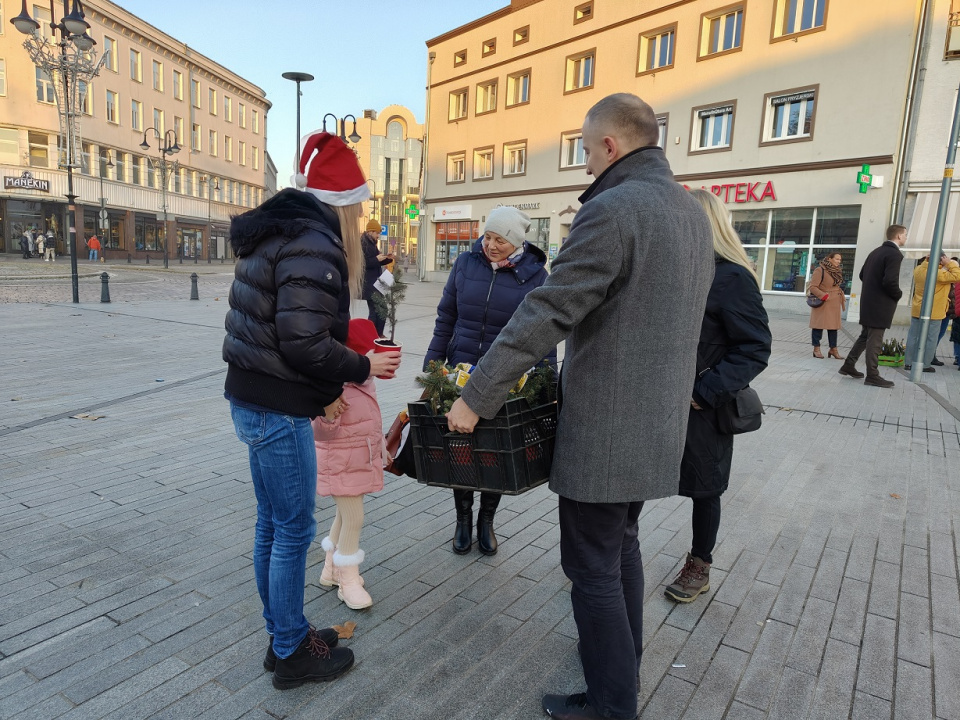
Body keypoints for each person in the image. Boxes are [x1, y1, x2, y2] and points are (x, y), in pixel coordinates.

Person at [446, 93, 714, 720]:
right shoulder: (688, 211)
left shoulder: (615, 208)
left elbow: (547, 310)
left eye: (588, 150)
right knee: (620, 549)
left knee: (592, 568)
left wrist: (475, 395)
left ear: (612, 145)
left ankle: (612, 707)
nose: (586, 164)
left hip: (609, 429)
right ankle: (618, 682)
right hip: (656, 424)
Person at [223, 130, 401, 690]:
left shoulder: (278, 233)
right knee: (292, 528)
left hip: (250, 396)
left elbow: (283, 323)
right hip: (277, 406)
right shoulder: (316, 243)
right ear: (345, 205)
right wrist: (361, 367)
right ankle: (293, 652)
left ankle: (284, 635)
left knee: (271, 526)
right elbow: (303, 341)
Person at [424, 205, 553, 556]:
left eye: (500, 240)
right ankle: (463, 520)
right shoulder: (466, 264)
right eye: (488, 236)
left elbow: (542, 332)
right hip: (459, 371)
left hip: (505, 378)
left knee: (495, 451)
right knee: (461, 448)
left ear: (517, 243)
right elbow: (446, 316)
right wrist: (434, 363)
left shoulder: (537, 277)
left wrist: (545, 378)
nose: (491, 245)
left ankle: (487, 521)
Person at [664, 189, 771, 604]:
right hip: (659, 401)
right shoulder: (674, 271)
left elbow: (755, 347)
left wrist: (704, 392)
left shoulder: (731, 277)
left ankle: (700, 564)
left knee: (705, 489)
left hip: (702, 408)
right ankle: (613, 557)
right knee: (636, 478)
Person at [314, 318, 389, 611]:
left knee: (344, 517)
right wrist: (328, 414)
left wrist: (380, 449)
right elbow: (319, 431)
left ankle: (330, 571)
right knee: (354, 518)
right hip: (340, 463)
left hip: (356, 460)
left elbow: (368, 424)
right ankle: (348, 579)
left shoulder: (363, 382)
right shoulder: (334, 385)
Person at [838, 225, 907, 387]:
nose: (906, 237)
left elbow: (862, 275)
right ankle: (873, 375)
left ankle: (848, 365)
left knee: (865, 336)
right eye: (905, 234)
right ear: (898, 236)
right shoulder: (894, 254)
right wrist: (898, 294)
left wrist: (873, 288)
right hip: (881, 304)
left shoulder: (875, 251)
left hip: (868, 301)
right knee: (875, 339)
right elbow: (890, 281)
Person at [903, 254, 960, 373]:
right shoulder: (938, 274)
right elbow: (957, 276)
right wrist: (950, 263)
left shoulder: (918, 269)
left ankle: (908, 363)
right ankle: (925, 364)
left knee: (913, 336)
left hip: (918, 308)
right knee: (931, 338)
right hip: (935, 310)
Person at [807, 252, 846, 359]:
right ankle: (816, 349)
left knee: (833, 327)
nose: (839, 261)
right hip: (823, 302)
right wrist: (823, 296)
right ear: (829, 259)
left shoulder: (837, 271)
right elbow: (813, 287)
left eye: (840, 260)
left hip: (834, 302)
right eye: (837, 259)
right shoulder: (820, 270)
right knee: (818, 326)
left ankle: (833, 349)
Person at [361, 219, 391, 335]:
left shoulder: (372, 243)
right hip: (369, 284)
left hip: (376, 283)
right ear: (371, 231)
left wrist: (387, 258)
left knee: (380, 310)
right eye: (377, 233)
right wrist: (376, 259)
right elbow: (362, 264)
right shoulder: (364, 243)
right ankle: (373, 335)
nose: (378, 235)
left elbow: (376, 261)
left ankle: (377, 334)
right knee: (377, 310)